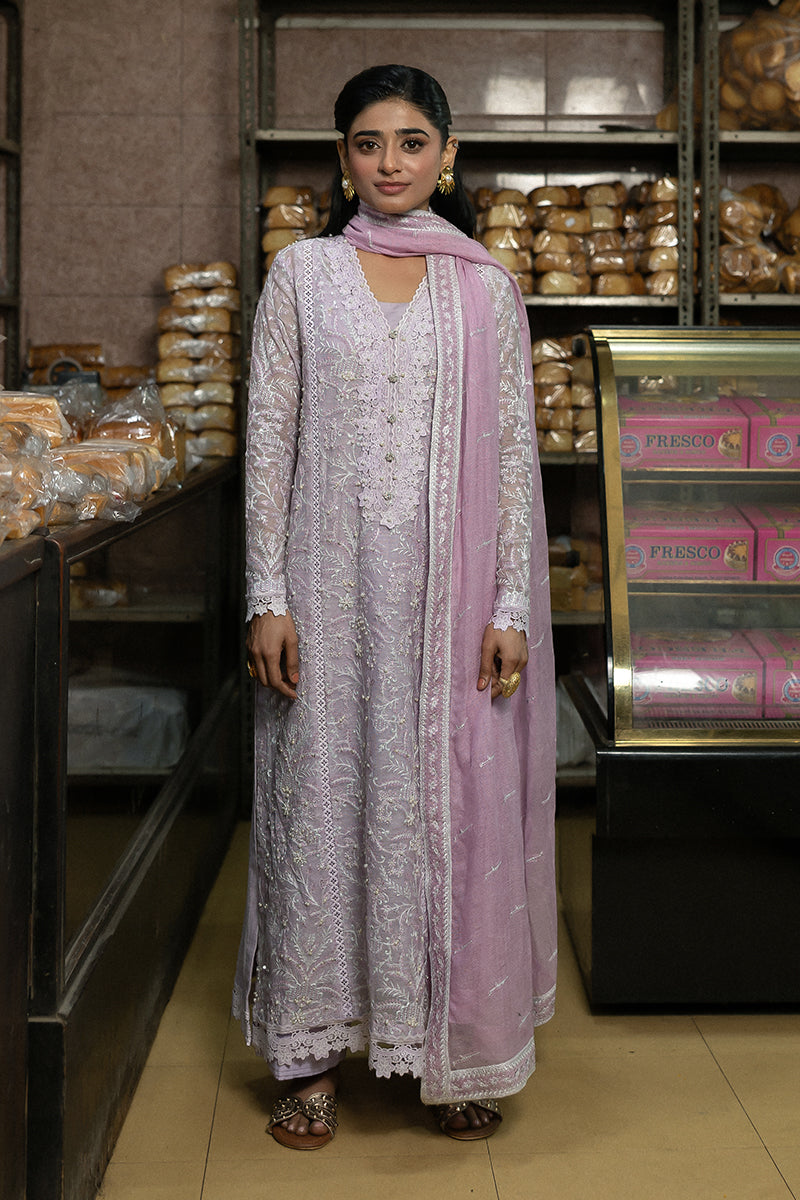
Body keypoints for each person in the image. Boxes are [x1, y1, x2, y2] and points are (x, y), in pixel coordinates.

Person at [233, 63, 557, 1150]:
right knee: (319, 813)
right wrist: (266, 593)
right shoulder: (300, 275)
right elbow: (269, 442)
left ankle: (448, 1051)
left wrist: (509, 603)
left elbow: (511, 456)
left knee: (440, 817)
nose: (389, 163)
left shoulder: (484, 288)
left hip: (446, 610)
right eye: (367, 143)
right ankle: (311, 1058)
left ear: (447, 156)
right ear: (341, 159)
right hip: (322, 597)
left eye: (412, 142)